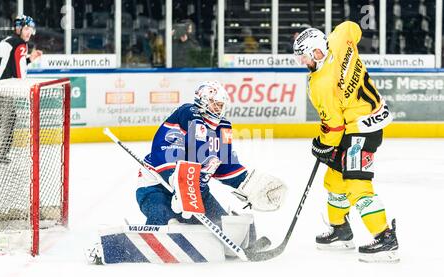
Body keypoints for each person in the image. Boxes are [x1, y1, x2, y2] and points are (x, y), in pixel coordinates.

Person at [293, 22, 399, 263]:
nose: (304, 63)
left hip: (358, 130)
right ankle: (340, 230)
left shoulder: (320, 84)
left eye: (305, 57)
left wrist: (322, 144)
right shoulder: (339, 37)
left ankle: (384, 237)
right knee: (334, 179)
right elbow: (353, 27)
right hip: (368, 118)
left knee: (355, 182)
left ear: (318, 52)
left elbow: (334, 126)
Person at [136, 80, 286, 227]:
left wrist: (249, 183)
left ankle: (235, 247)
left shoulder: (223, 128)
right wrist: (178, 180)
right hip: (156, 185)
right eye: (215, 104)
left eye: (221, 106)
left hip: (195, 192)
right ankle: (148, 246)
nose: (219, 109)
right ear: (202, 101)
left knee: (222, 224)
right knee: (165, 220)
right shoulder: (187, 114)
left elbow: (223, 164)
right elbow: (165, 149)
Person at [0, 15, 42, 164]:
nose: (29, 32)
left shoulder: (7, 41)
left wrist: (29, 59)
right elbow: (20, 73)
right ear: (18, 29)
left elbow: (11, 65)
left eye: (30, 29)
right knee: (8, 119)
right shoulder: (20, 44)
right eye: (26, 29)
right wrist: (25, 89)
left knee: (0, 119)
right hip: (3, 88)